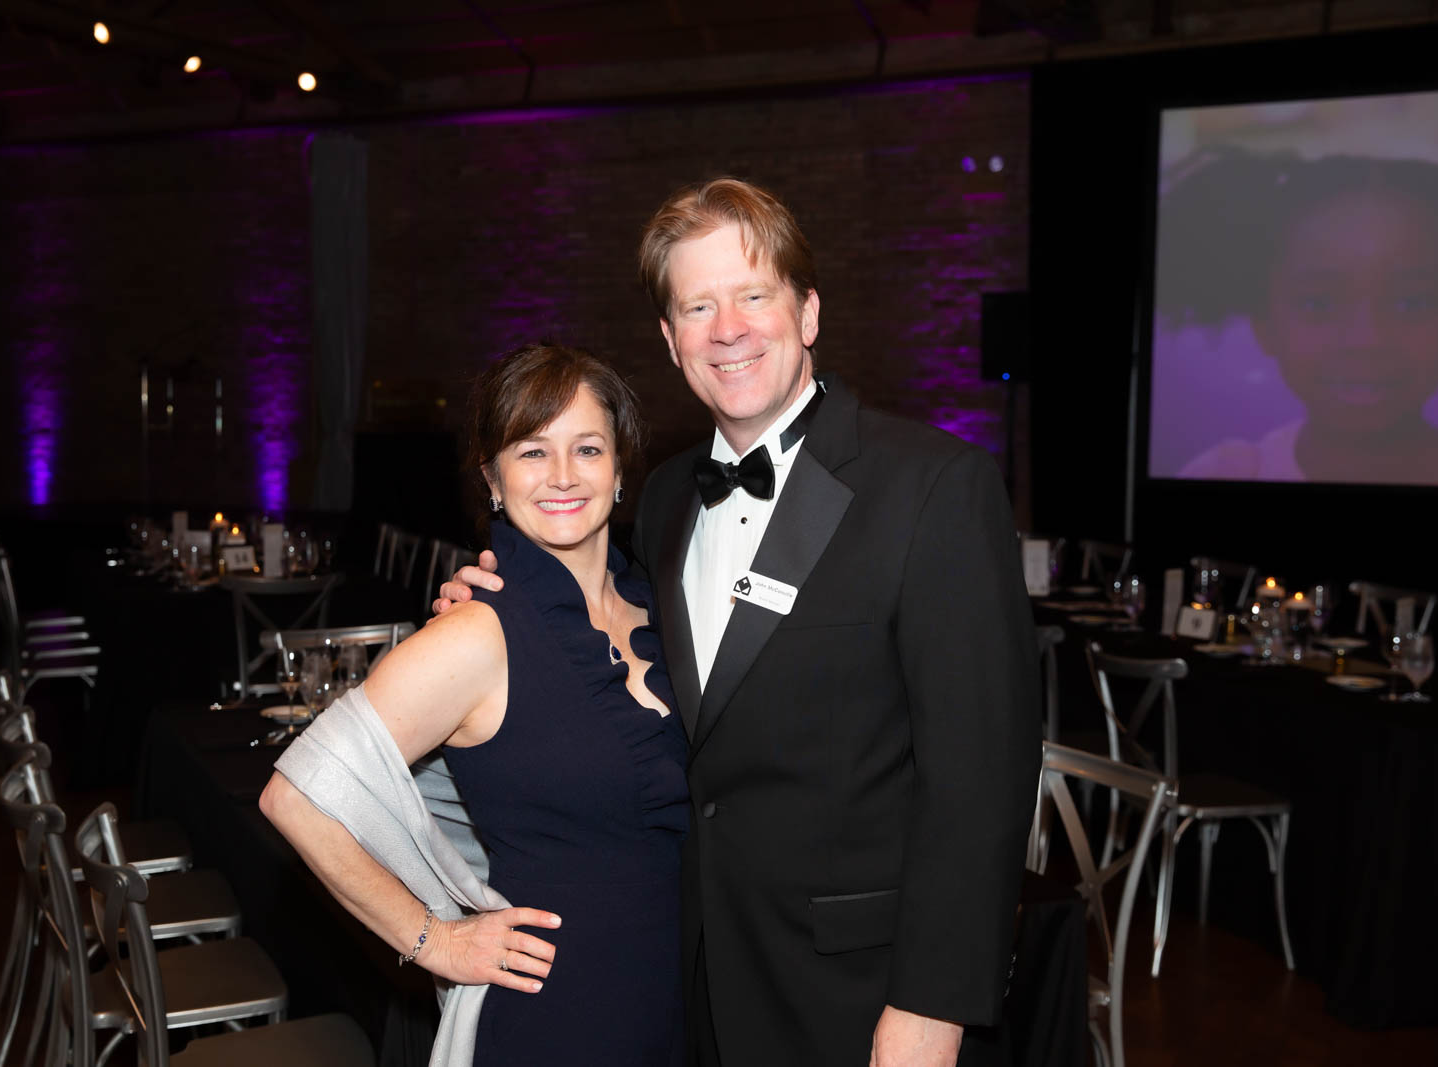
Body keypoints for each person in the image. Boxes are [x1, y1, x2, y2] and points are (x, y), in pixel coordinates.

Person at [438, 178, 1041, 1067]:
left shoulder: (934, 488)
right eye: (699, 306)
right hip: (690, 982)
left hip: (862, 997)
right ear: (671, 339)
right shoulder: (666, 498)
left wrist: (932, 1005)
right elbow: (613, 644)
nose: (728, 329)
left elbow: (982, 779)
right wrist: (497, 594)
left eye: (754, 296)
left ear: (808, 313)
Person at [261, 343, 689, 1066]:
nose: (562, 474)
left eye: (587, 448)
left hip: (673, 998)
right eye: (532, 451)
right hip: (558, 1018)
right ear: (493, 478)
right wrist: (435, 940)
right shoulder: (476, 633)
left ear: (620, 470)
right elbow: (295, 797)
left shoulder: (658, 607)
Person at [1158, 148, 1438, 484]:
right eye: (1318, 304)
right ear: (1264, 325)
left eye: (1412, 303)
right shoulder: (1225, 473)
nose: (1366, 340)